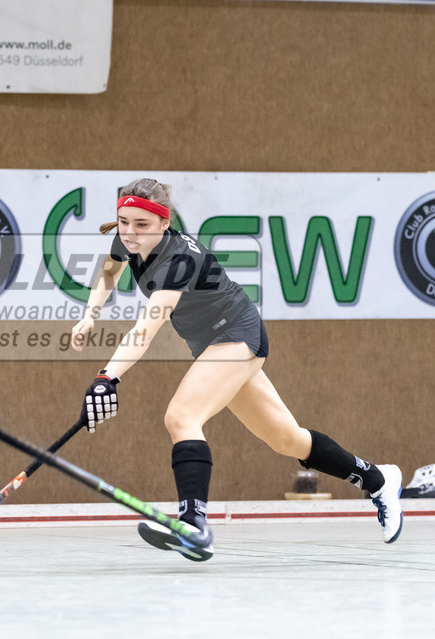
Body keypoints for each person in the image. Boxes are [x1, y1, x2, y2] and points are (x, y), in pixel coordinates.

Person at [70, 177, 402, 561]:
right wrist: (89, 315)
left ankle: (193, 526)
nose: (130, 232)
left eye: (142, 224)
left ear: (165, 223)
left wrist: (107, 377)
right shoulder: (128, 240)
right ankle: (379, 479)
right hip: (212, 344)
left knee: (181, 416)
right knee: (286, 439)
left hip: (237, 335)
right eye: (124, 221)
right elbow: (110, 272)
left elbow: (145, 331)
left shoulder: (177, 260)